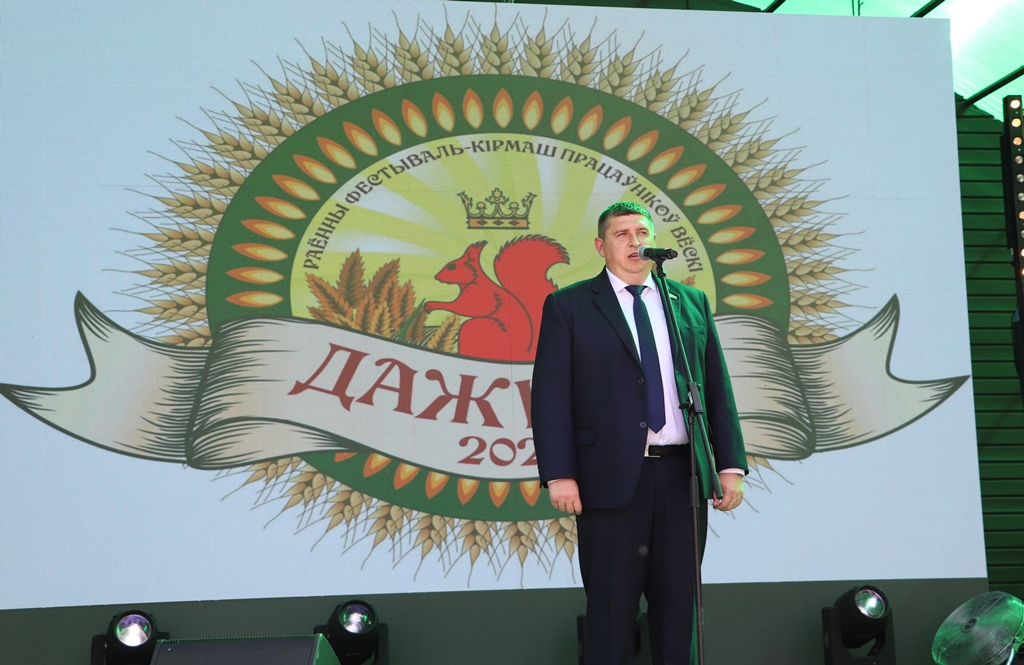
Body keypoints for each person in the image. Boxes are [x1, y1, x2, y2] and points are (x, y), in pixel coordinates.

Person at [531, 201, 748, 665]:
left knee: (680, 611)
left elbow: (716, 386)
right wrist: (559, 474)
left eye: (642, 233)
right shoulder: (569, 305)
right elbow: (550, 395)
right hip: (608, 479)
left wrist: (730, 465)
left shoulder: (689, 301)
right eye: (622, 234)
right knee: (611, 613)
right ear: (601, 246)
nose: (635, 242)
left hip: (682, 477)